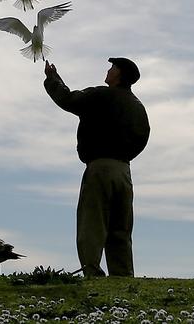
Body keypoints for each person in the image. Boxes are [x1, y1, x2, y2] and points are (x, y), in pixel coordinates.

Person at [43, 57, 149, 277]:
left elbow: (69, 99)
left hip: (99, 168)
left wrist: (53, 78)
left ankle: (92, 273)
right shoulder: (138, 107)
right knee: (120, 229)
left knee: (92, 223)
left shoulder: (101, 95)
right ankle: (122, 276)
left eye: (112, 68)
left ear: (118, 75)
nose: (108, 71)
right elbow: (143, 137)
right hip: (124, 172)